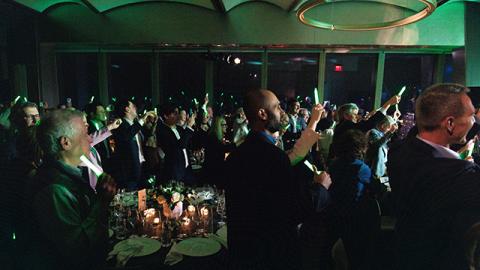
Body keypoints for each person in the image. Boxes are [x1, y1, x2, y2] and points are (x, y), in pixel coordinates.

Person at [225, 89, 330, 270]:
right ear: (262, 113)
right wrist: (321, 187)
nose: (282, 111)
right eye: (277, 107)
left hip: (243, 251)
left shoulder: (237, 155)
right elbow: (295, 209)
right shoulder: (273, 157)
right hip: (271, 254)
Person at [388, 83, 480, 270]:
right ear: (450, 123)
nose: (474, 122)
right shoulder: (463, 179)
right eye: (471, 115)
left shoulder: (400, 152)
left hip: (406, 255)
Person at [23, 109, 117, 270]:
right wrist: (102, 202)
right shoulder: (54, 189)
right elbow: (78, 249)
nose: (89, 138)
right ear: (65, 142)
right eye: (85, 133)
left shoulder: (68, 174)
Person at [328, 129, 380, 270]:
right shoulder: (361, 168)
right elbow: (376, 188)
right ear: (361, 146)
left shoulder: (335, 164)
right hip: (355, 216)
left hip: (335, 212)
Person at [111, 99, 155, 189]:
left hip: (142, 166)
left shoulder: (135, 124)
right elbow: (127, 136)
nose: (136, 108)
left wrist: (153, 124)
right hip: (130, 171)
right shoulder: (120, 124)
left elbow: (145, 138)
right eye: (133, 106)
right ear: (127, 109)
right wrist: (142, 119)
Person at [156, 103, 195, 183]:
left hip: (187, 169)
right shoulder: (162, 131)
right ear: (166, 116)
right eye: (175, 113)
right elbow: (179, 146)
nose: (178, 116)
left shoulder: (179, 128)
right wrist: (189, 127)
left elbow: (189, 143)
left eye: (178, 113)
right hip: (175, 171)